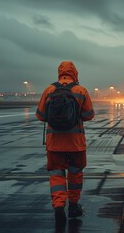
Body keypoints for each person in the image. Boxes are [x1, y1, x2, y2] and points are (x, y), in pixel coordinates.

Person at [36, 61, 95, 226]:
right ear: (74, 73)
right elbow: (89, 115)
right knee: (75, 175)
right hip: (75, 143)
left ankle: (59, 207)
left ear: (59, 72)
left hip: (54, 144)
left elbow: (40, 115)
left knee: (56, 175)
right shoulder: (80, 90)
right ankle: (74, 206)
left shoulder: (49, 90)